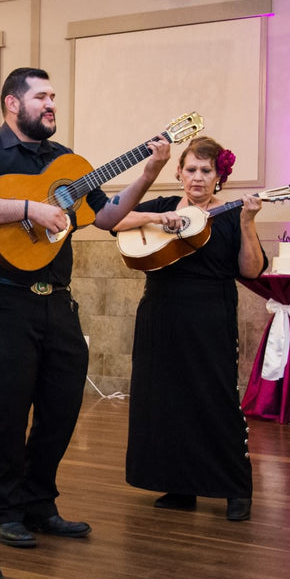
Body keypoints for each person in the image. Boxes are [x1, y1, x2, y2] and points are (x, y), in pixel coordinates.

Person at [0, 68, 171, 547]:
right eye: (41, 97)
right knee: (9, 409)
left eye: (54, 96)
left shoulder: (69, 162)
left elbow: (110, 217)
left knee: (62, 404)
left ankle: (39, 502)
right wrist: (30, 210)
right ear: (12, 103)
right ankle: (3, 508)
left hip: (55, 298)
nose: (51, 104)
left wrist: (148, 174)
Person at [109, 137, 265, 522]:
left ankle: (234, 488)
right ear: (178, 173)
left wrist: (247, 222)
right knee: (164, 400)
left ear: (219, 177)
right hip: (160, 311)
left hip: (210, 313)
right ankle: (179, 486)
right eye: (191, 169)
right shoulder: (161, 207)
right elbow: (111, 220)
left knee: (215, 400)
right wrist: (153, 218)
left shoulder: (229, 215)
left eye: (206, 171)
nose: (197, 178)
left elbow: (251, 270)